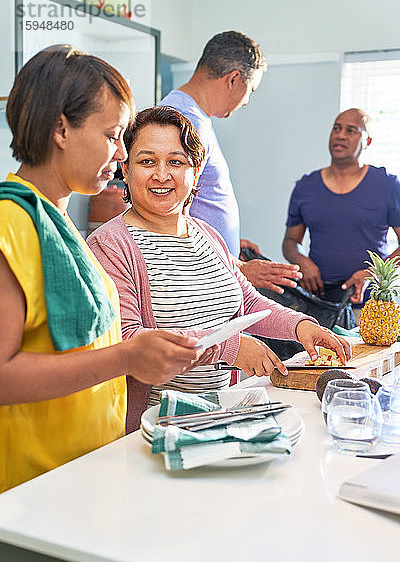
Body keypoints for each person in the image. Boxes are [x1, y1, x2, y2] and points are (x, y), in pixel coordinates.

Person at [0, 46, 208, 493]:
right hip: (35, 486)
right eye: (113, 135)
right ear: (61, 129)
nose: (120, 153)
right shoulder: (9, 223)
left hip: (85, 470)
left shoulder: (58, 224)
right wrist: (127, 357)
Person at [87, 106, 351, 432]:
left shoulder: (206, 234)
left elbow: (249, 302)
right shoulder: (110, 245)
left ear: (195, 171)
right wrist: (230, 347)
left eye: (176, 161)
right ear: (125, 169)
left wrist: (300, 327)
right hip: (153, 427)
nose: (161, 174)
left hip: (223, 413)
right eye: (146, 161)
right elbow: (129, 341)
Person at [160, 30, 302, 295]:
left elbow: (195, 205)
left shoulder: (195, 117)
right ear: (234, 79)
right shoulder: (181, 120)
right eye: (250, 90)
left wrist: (228, 244)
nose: (246, 101)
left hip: (213, 269)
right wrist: (237, 265)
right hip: (195, 283)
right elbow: (167, 217)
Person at [282, 108, 400, 306]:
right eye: (336, 129)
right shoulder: (305, 187)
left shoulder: (387, 185)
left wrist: (372, 274)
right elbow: (291, 241)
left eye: (351, 130)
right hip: (318, 304)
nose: (340, 135)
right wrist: (302, 261)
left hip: (371, 306)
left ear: (367, 141)